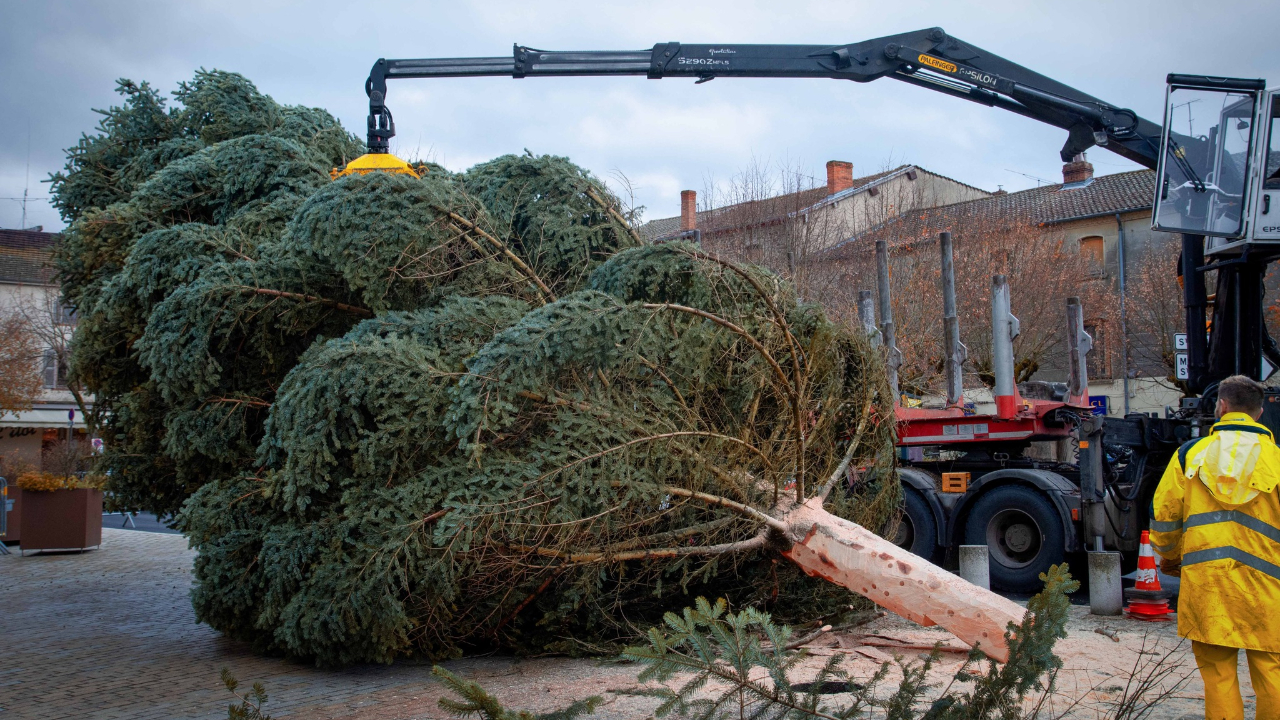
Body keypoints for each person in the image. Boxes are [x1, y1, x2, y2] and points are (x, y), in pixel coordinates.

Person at [1151, 375, 1280, 720]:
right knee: (1272, 671)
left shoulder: (1189, 455)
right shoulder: (1277, 459)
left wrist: (1171, 559)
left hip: (1208, 584)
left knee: (1218, 675)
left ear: (1220, 406)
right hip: (1268, 589)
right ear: (1260, 412)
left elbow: (1165, 517)